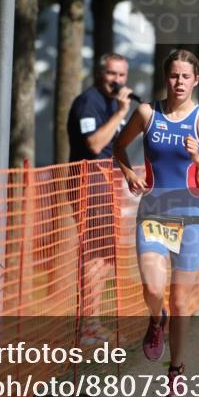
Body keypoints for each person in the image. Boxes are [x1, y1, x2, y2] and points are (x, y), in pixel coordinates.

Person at [113, 49, 199, 397]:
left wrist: (197, 157)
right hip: (153, 212)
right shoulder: (148, 113)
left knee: (180, 301)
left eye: (185, 76)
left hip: (190, 217)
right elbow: (119, 147)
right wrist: (130, 172)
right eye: (174, 76)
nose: (179, 82)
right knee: (151, 288)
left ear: (196, 80)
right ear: (167, 78)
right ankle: (154, 319)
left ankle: (175, 369)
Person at [66, 53, 135, 345]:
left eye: (121, 75)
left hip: (108, 182)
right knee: (94, 253)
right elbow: (94, 144)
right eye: (111, 74)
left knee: (105, 254)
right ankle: (84, 326)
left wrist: (130, 174)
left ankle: (91, 323)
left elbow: (115, 147)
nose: (116, 80)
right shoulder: (89, 102)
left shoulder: (112, 103)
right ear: (99, 74)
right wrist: (121, 113)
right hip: (88, 180)